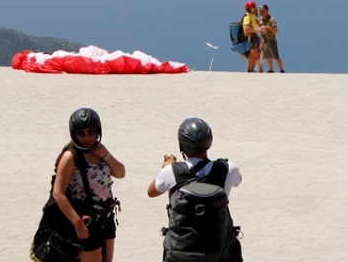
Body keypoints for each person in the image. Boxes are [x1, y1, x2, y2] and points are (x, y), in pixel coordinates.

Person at [148, 118, 242, 261]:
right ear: (210, 140)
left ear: (181, 144)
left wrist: (168, 168)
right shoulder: (228, 169)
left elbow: (151, 192)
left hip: (181, 251)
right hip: (218, 250)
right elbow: (238, 181)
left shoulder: (172, 172)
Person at [52, 108, 126, 262]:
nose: (87, 137)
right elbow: (58, 193)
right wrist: (77, 222)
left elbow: (120, 173)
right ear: (74, 135)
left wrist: (106, 155)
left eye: (91, 132)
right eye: (81, 133)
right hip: (85, 219)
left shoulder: (100, 151)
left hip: (105, 216)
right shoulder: (70, 157)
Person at [259, 4, 284, 72]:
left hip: (271, 40)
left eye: (262, 11)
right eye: (260, 11)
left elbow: (275, 31)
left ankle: (281, 69)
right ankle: (271, 69)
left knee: (275, 56)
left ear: (266, 11)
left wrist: (268, 27)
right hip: (264, 40)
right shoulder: (261, 19)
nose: (260, 12)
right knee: (267, 56)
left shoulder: (271, 19)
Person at [241, 1, 262, 73]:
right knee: (253, 53)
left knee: (253, 53)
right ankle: (250, 69)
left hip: (253, 37)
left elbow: (258, 22)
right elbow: (246, 28)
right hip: (249, 37)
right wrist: (257, 31)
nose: (255, 9)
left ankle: (250, 69)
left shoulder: (252, 16)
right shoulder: (247, 17)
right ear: (249, 8)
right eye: (254, 7)